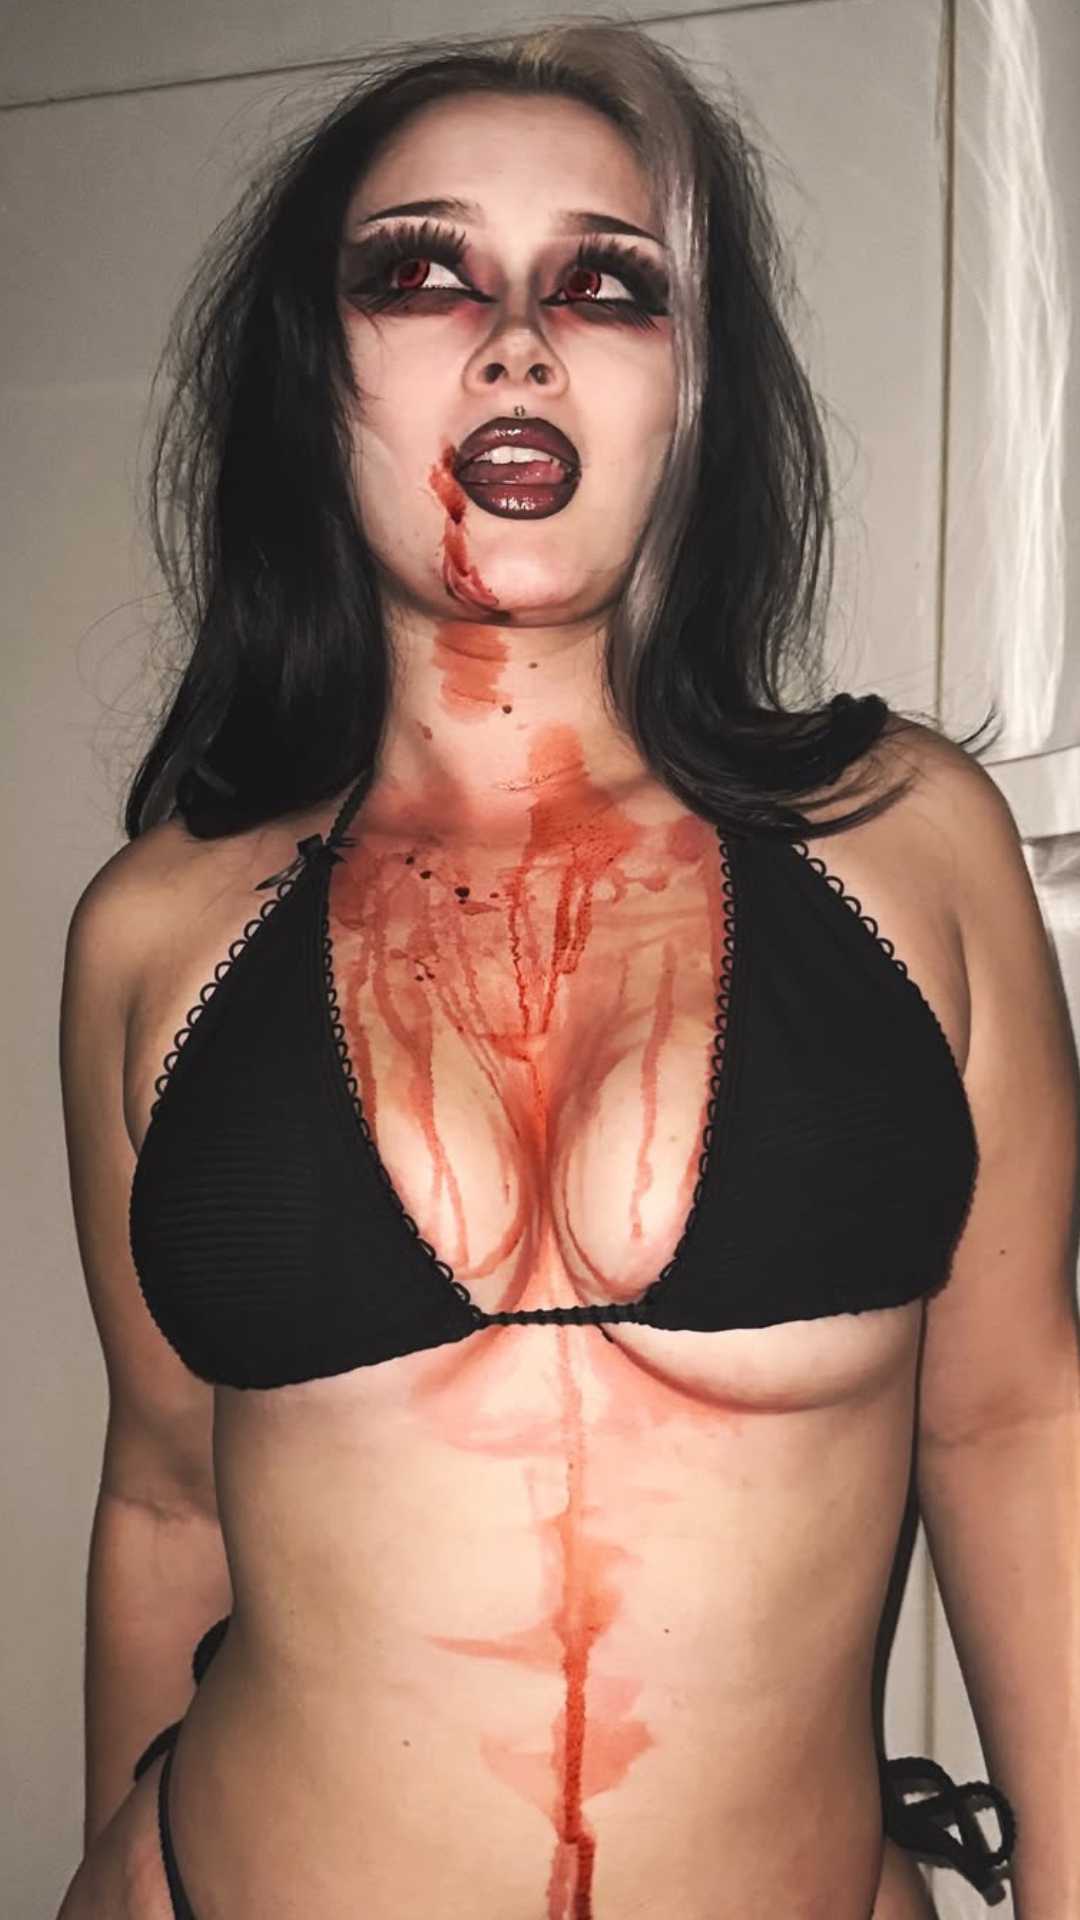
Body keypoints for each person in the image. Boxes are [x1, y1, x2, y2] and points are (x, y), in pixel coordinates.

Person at [55, 19, 1078, 1920]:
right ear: (313, 379)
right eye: (420, 274)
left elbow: (1017, 1423)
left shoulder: (909, 845)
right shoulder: (154, 930)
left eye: (608, 286)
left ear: (695, 393)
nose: (518, 341)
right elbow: (167, 1494)